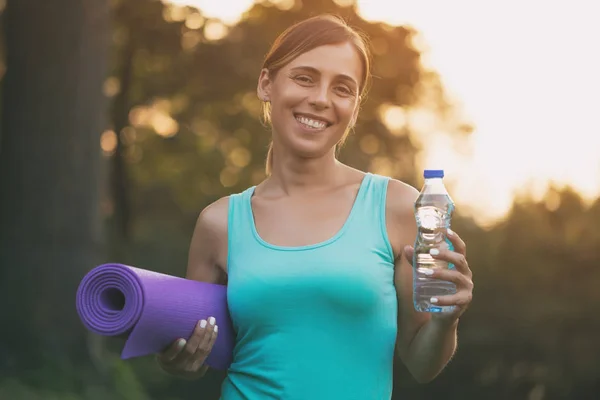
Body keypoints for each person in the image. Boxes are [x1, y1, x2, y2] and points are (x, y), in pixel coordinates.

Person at [156, 13, 474, 399]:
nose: (321, 99)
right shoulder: (219, 223)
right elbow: (196, 356)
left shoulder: (398, 206)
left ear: (355, 106)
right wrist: (178, 360)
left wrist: (446, 322)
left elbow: (422, 366)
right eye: (304, 78)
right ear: (266, 84)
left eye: (342, 88)